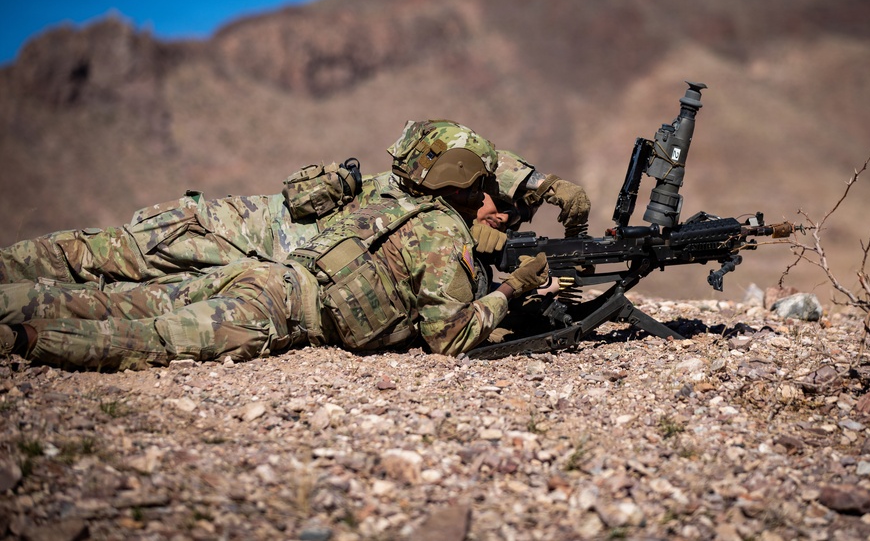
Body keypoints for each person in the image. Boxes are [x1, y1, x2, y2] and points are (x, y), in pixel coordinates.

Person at [0, 121, 551, 370]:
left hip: (265, 275)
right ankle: (21, 341)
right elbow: (448, 338)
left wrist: (527, 187)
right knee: (154, 338)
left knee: (117, 301)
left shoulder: (388, 194)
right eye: (483, 191)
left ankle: (16, 311)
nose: (490, 202)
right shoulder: (442, 233)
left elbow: (442, 141)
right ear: (458, 188)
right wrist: (511, 290)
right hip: (276, 307)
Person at [0, 150, 589, 288]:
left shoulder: (421, 213)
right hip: (212, 230)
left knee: (115, 284)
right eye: (493, 200)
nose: (497, 213)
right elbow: (470, 150)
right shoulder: (407, 191)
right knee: (86, 257)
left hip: (244, 259)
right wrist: (541, 183)